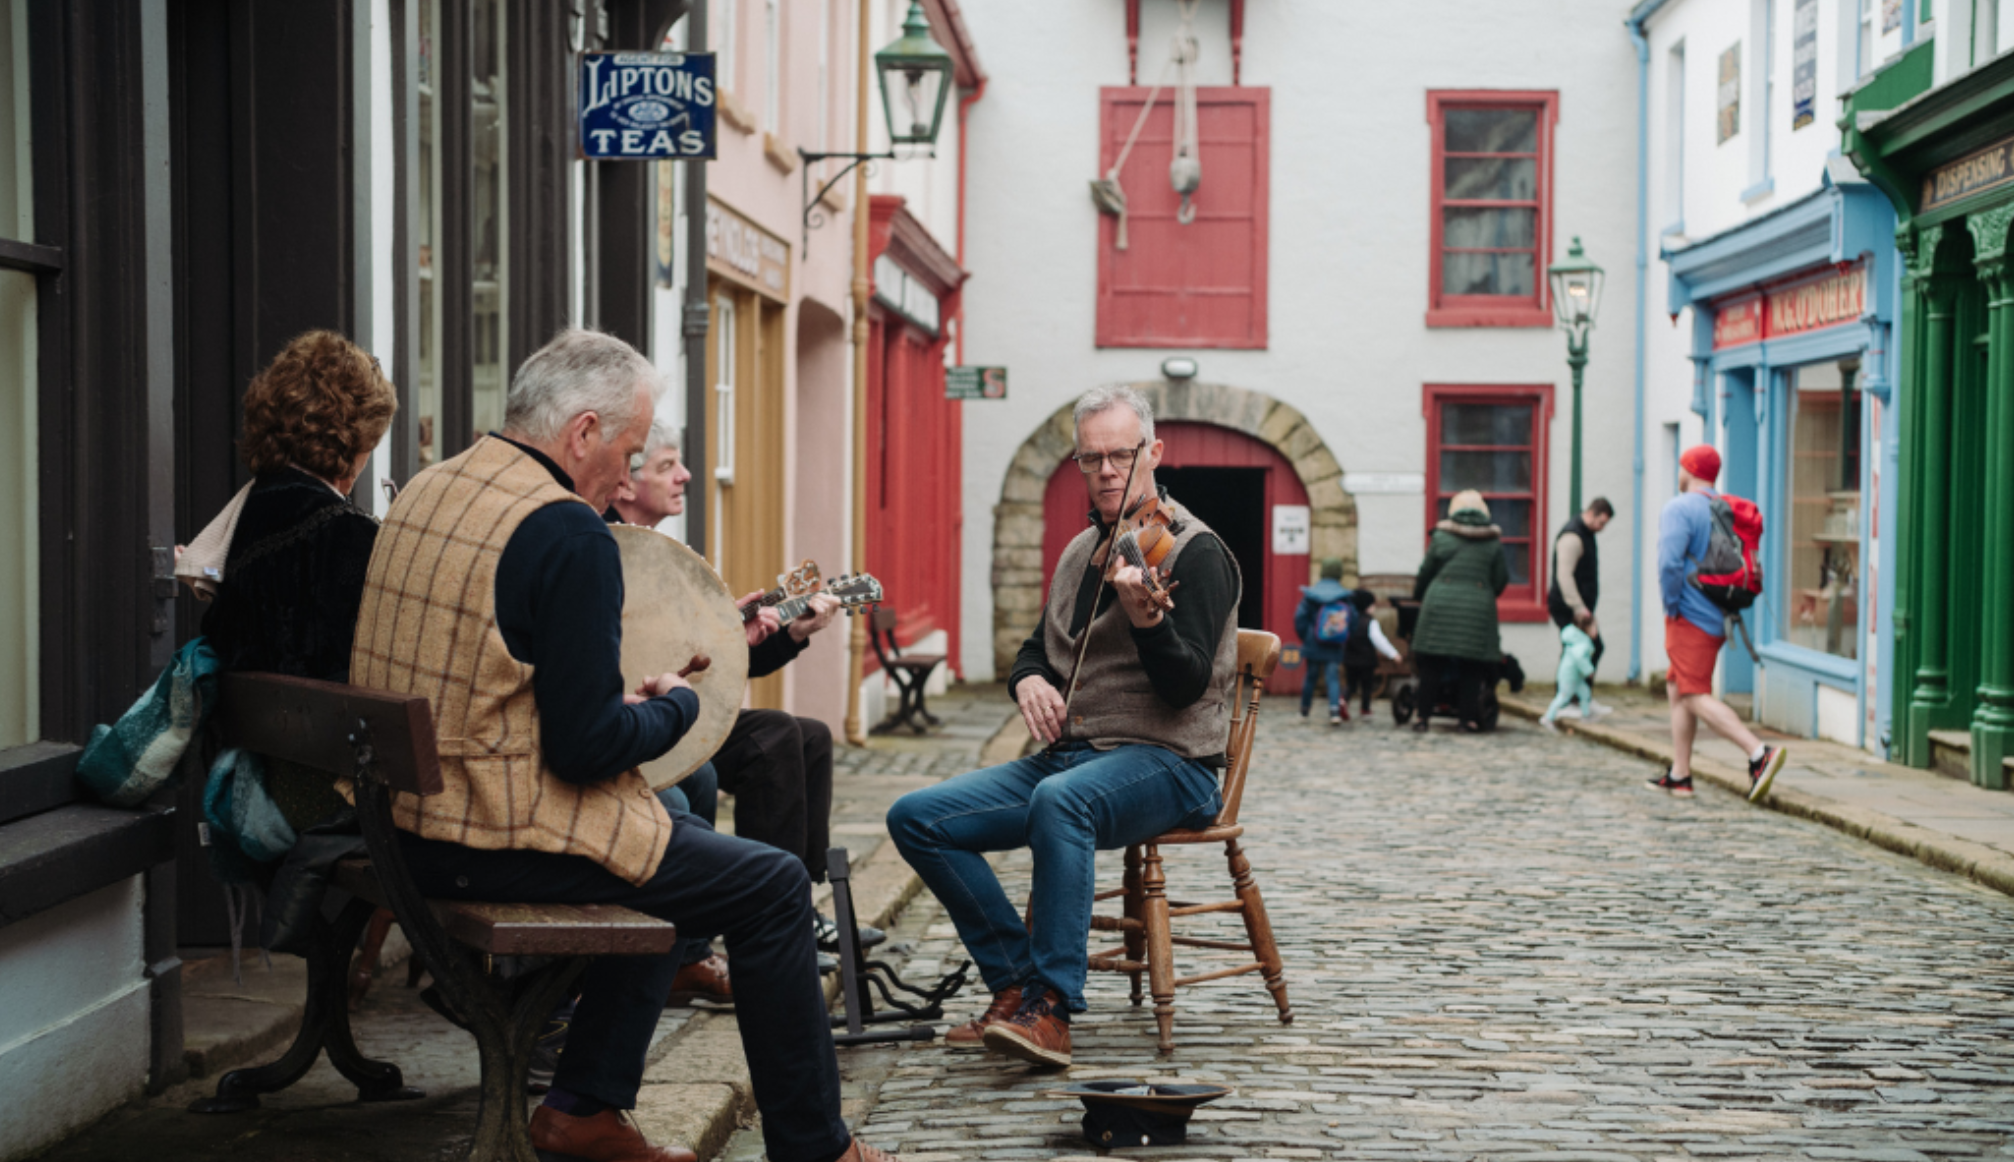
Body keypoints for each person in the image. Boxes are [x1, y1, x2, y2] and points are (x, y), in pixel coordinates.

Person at [350, 328, 892, 1162]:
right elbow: (586, 749)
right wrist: (673, 708)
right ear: (582, 434)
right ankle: (816, 1149)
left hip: (398, 822)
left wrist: (619, 709)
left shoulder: (432, 487)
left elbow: (485, 677)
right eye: (631, 452)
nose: (629, 475)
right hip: (481, 836)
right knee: (774, 884)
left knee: (674, 823)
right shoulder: (567, 531)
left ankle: (583, 1107)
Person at [887, 385, 1237, 1069]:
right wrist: (1028, 680)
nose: (1106, 471)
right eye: (1090, 458)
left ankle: (1051, 1006)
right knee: (917, 818)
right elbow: (1037, 648)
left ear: (1154, 453)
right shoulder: (1083, 550)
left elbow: (1188, 686)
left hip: (1173, 763)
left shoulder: (1196, 552)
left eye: (1120, 456)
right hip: (1076, 759)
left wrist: (1149, 624)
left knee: (1060, 801)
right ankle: (1014, 984)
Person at [607, 420, 879, 960]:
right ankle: (765, 916)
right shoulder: (610, 548)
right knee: (771, 736)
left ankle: (797, 902)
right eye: (667, 466)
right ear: (627, 483)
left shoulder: (665, 553)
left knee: (811, 736)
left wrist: (783, 635)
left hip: (675, 713)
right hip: (640, 722)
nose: (686, 476)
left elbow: (701, 664)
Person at [191, 331, 397, 950]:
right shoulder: (349, 535)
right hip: (320, 794)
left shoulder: (241, 520)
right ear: (355, 439)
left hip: (252, 771)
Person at [1652, 445, 1786, 801]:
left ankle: (1758, 753)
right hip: (1718, 613)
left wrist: (1671, 607)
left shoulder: (1679, 508)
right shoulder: (1721, 507)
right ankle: (1680, 774)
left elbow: (1669, 564)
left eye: (1682, 465)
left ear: (1689, 469)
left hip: (1689, 616)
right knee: (1677, 687)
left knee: (1693, 695)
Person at [1409, 490, 1508, 733]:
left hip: (1439, 604)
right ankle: (1466, 720)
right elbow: (1500, 579)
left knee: (1432, 664)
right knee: (1471, 666)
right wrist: (1482, 593)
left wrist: (1419, 595)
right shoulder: (1493, 542)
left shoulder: (1441, 537)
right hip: (1477, 609)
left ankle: (1422, 717)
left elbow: (1426, 572)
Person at [1548, 496, 1614, 719]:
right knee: (1579, 650)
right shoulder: (1572, 537)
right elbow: (1564, 576)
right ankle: (1567, 700)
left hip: (1580, 607)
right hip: (1568, 607)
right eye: (1601, 522)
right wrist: (1578, 607)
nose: (1602, 528)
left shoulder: (1586, 534)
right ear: (1592, 513)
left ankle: (1581, 697)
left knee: (1586, 649)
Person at [1293, 559, 1351, 724]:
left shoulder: (1311, 595)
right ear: (1339, 574)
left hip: (1313, 642)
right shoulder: (1344, 596)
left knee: (1311, 676)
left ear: (1323, 572)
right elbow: (1351, 619)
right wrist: (1343, 637)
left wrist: (1306, 636)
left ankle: (1304, 711)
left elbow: (1300, 618)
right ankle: (1334, 712)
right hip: (1334, 644)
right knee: (1333, 677)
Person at [1341, 588, 1401, 717]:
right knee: (1366, 685)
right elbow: (1379, 640)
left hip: (1349, 658)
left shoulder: (1349, 620)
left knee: (1351, 684)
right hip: (1366, 660)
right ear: (1367, 606)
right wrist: (1393, 654)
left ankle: (1344, 699)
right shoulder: (1370, 622)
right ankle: (1365, 708)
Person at [1540, 624, 1597, 732]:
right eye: (1594, 627)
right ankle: (1547, 718)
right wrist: (1589, 670)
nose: (1596, 631)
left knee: (1585, 693)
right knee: (1563, 697)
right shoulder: (1582, 643)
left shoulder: (1578, 641)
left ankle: (1586, 715)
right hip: (1569, 676)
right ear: (1587, 628)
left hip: (1576, 676)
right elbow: (1579, 657)